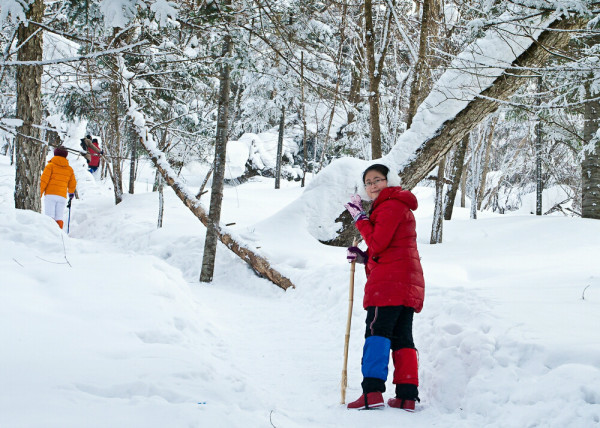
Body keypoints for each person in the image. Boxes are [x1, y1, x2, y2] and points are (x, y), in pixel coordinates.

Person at [344, 163, 425, 411]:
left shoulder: (390, 205)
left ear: (389, 181)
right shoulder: (396, 205)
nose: (372, 186)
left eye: (377, 180)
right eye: (368, 183)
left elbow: (378, 243)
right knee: (402, 337)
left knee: (376, 332)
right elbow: (388, 249)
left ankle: (372, 392)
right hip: (404, 282)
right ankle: (406, 395)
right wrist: (364, 258)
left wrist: (360, 219)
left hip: (389, 285)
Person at [40, 146, 77, 230]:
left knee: (49, 216)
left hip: (50, 195)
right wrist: (71, 194)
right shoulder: (69, 169)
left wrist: (39, 193)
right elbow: (72, 183)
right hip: (62, 196)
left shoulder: (50, 166)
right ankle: (59, 233)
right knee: (59, 217)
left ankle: (49, 232)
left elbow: (43, 181)